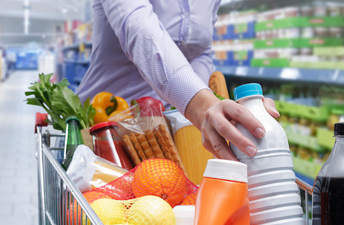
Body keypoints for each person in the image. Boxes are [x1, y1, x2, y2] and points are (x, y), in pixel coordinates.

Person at [76, 0, 280, 160]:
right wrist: (202, 107)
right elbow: (140, 31)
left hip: (161, 136)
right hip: (100, 133)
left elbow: (200, 51)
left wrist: (207, 117)